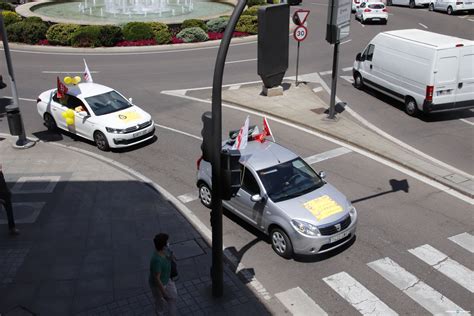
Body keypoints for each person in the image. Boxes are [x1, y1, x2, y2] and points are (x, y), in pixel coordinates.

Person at [149, 233, 178, 316]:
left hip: (167, 279)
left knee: (173, 297)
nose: (168, 243)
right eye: (167, 242)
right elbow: (157, 278)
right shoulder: (156, 260)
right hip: (158, 285)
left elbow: (174, 258)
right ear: (163, 245)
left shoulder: (165, 251)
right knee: (160, 302)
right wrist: (163, 292)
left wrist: (171, 253)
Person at [0, 164, 19, 235]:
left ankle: (12, 228)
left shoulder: (1, 174)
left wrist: (8, 191)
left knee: (9, 211)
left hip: (5, 194)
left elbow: (4, 184)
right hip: (1, 196)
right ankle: (12, 228)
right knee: (9, 211)